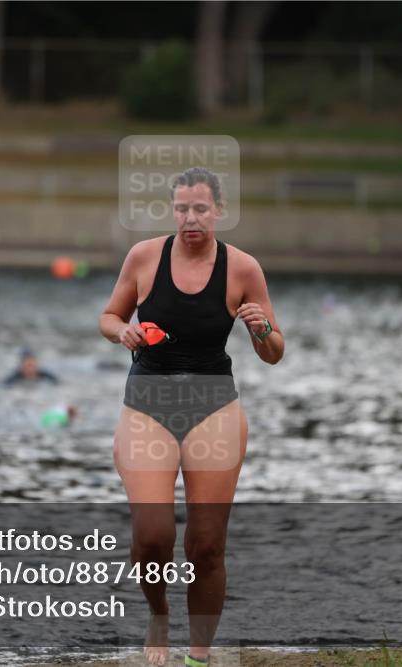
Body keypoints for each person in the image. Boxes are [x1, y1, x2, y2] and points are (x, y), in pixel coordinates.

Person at [99, 167, 284, 666]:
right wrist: (123, 334)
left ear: (219, 211)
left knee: (205, 544)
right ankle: (158, 617)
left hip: (214, 404)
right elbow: (109, 316)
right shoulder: (144, 257)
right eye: (182, 209)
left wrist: (261, 326)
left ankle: (199, 656)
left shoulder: (243, 268)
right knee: (154, 537)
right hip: (148, 402)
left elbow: (274, 352)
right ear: (172, 211)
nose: (190, 218)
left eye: (200, 208)